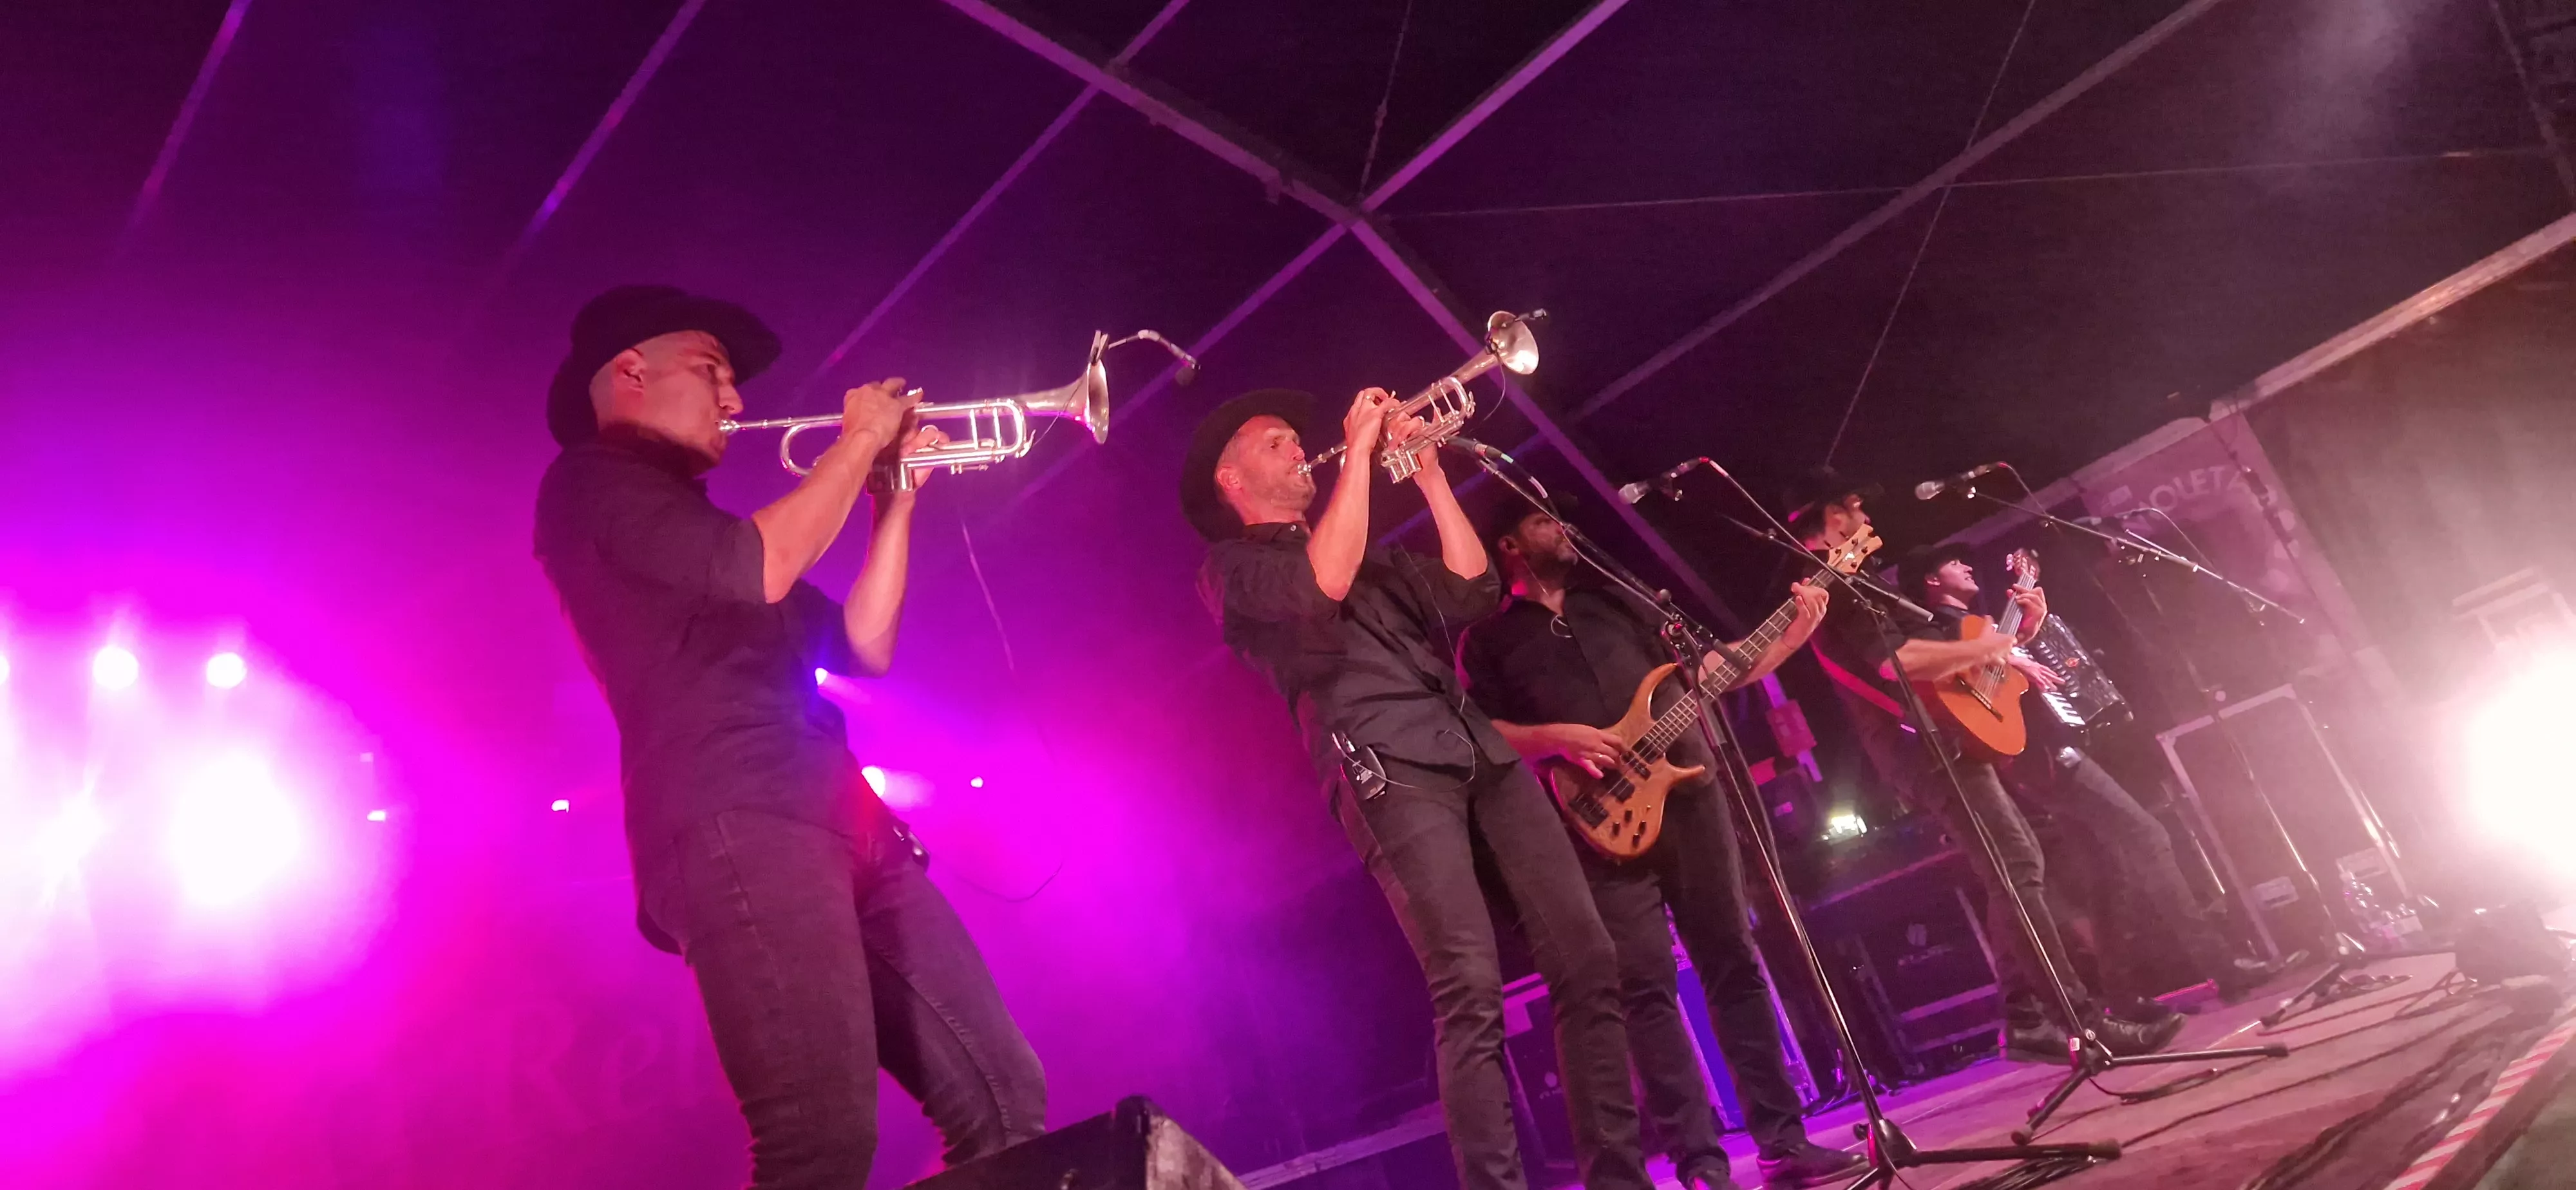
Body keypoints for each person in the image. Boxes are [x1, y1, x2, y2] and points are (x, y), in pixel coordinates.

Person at [534, 285, 1045, 1188]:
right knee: (822, 1139)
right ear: (629, 374)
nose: (736, 401)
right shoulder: (588, 486)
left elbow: (864, 645)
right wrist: (854, 442)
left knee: (1004, 1095)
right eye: (711, 372)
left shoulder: (701, 533)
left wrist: (896, 502)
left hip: (845, 822)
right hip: (739, 819)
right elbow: (761, 564)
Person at [1184, 389, 1649, 1190]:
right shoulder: (1232, 569)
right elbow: (1317, 587)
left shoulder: (1366, 549)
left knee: (1587, 957)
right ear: (1232, 478)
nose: (1299, 450)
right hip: (1385, 768)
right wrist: (1358, 453)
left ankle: (1619, 1180)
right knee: (1470, 991)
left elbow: (1470, 591)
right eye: (1277, 443)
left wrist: (1430, 477)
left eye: (1302, 438)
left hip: (1475, 750)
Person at [1460, 505, 1864, 1190]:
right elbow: (1482, 730)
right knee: (1644, 986)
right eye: (1541, 523)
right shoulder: (1489, 641)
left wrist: (1792, 636)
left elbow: (1715, 670)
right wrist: (1556, 738)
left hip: (1693, 798)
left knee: (1732, 959)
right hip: (1597, 823)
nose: (1562, 527)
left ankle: (1782, 1143)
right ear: (1508, 546)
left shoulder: (1622, 601)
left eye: (1562, 518)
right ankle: (1700, 1161)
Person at [1781, 468, 2179, 1064]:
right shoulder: (1835, 585)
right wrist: (1994, 647)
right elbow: (1900, 662)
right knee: (2017, 865)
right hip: (1927, 748)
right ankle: (2083, 1024)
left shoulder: (1860, 581)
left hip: (1950, 739)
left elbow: (1943, 656)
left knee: (2015, 867)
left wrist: (2009, 640)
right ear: (1831, 518)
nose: (1866, 514)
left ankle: (2025, 1020)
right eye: (1856, 504)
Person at [1898, 543, 2285, 1015]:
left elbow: (2002, 678)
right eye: (1949, 563)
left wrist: (2027, 632)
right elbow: (1978, 684)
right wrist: (2010, 653)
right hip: (2043, 753)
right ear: (1931, 583)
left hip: (2036, 751)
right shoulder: (1947, 629)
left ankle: (2122, 997)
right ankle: (2221, 965)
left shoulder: (1978, 627)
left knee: (2107, 872)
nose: (1963, 565)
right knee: (2149, 836)